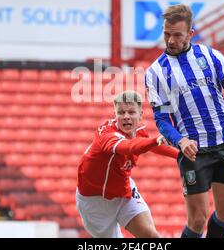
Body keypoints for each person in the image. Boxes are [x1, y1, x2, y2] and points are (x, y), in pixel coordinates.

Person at [145, 4, 224, 238]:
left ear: (190, 33)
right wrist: (180, 140)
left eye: (177, 35)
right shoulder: (155, 72)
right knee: (197, 220)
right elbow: (162, 119)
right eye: (166, 34)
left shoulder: (211, 56)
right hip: (193, 151)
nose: (171, 40)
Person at [76, 91, 179, 238]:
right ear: (115, 114)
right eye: (121, 112)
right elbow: (130, 147)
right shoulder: (107, 135)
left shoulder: (137, 130)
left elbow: (150, 145)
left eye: (131, 112)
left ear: (140, 114)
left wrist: (180, 156)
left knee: (150, 236)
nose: (126, 117)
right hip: (95, 200)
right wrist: (156, 140)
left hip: (123, 190)